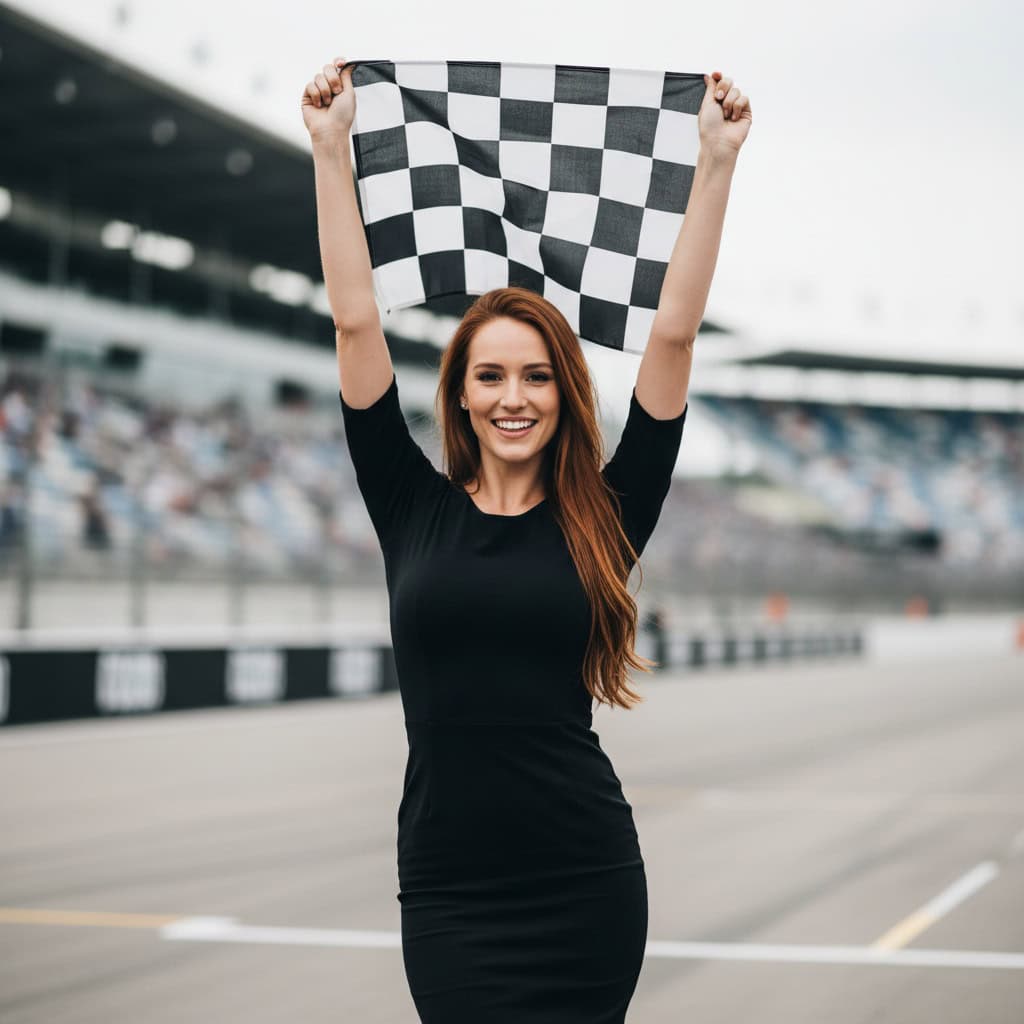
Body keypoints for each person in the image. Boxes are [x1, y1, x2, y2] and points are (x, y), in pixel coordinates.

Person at [303, 56, 751, 1023]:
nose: (515, 398)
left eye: (539, 376)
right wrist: (331, 154)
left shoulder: (608, 517)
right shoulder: (408, 504)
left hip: (584, 880)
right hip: (450, 890)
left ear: (565, 394)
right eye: (493, 376)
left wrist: (715, 164)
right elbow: (353, 323)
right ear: (460, 390)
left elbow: (669, 343)